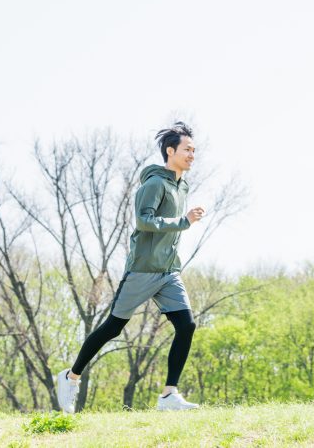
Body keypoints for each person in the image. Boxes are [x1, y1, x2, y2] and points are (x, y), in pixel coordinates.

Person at [55, 121, 205, 413]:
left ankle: (168, 396)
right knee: (112, 328)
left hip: (168, 271)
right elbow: (144, 221)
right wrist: (184, 222)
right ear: (170, 150)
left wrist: (183, 224)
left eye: (194, 151)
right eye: (187, 149)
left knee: (186, 325)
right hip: (142, 270)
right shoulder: (154, 184)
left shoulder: (181, 185)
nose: (192, 155)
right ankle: (70, 377)